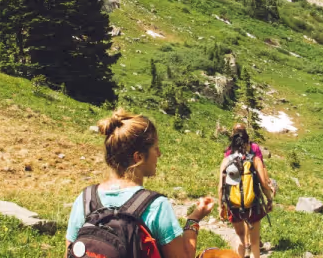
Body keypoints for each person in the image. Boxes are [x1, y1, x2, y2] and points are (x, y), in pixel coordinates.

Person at [66, 109, 215, 258]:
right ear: (138, 157)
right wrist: (193, 220)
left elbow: (69, 253)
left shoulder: (86, 200)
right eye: (155, 148)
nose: (159, 154)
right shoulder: (156, 206)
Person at [218, 128, 274, 258]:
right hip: (253, 205)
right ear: (248, 143)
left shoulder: (226, 161)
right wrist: (269, 200)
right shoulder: (255, 160)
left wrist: (221, 206)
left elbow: (221, 187)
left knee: (240, 237)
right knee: (254, 242)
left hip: (233, 205)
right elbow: (263, 184)